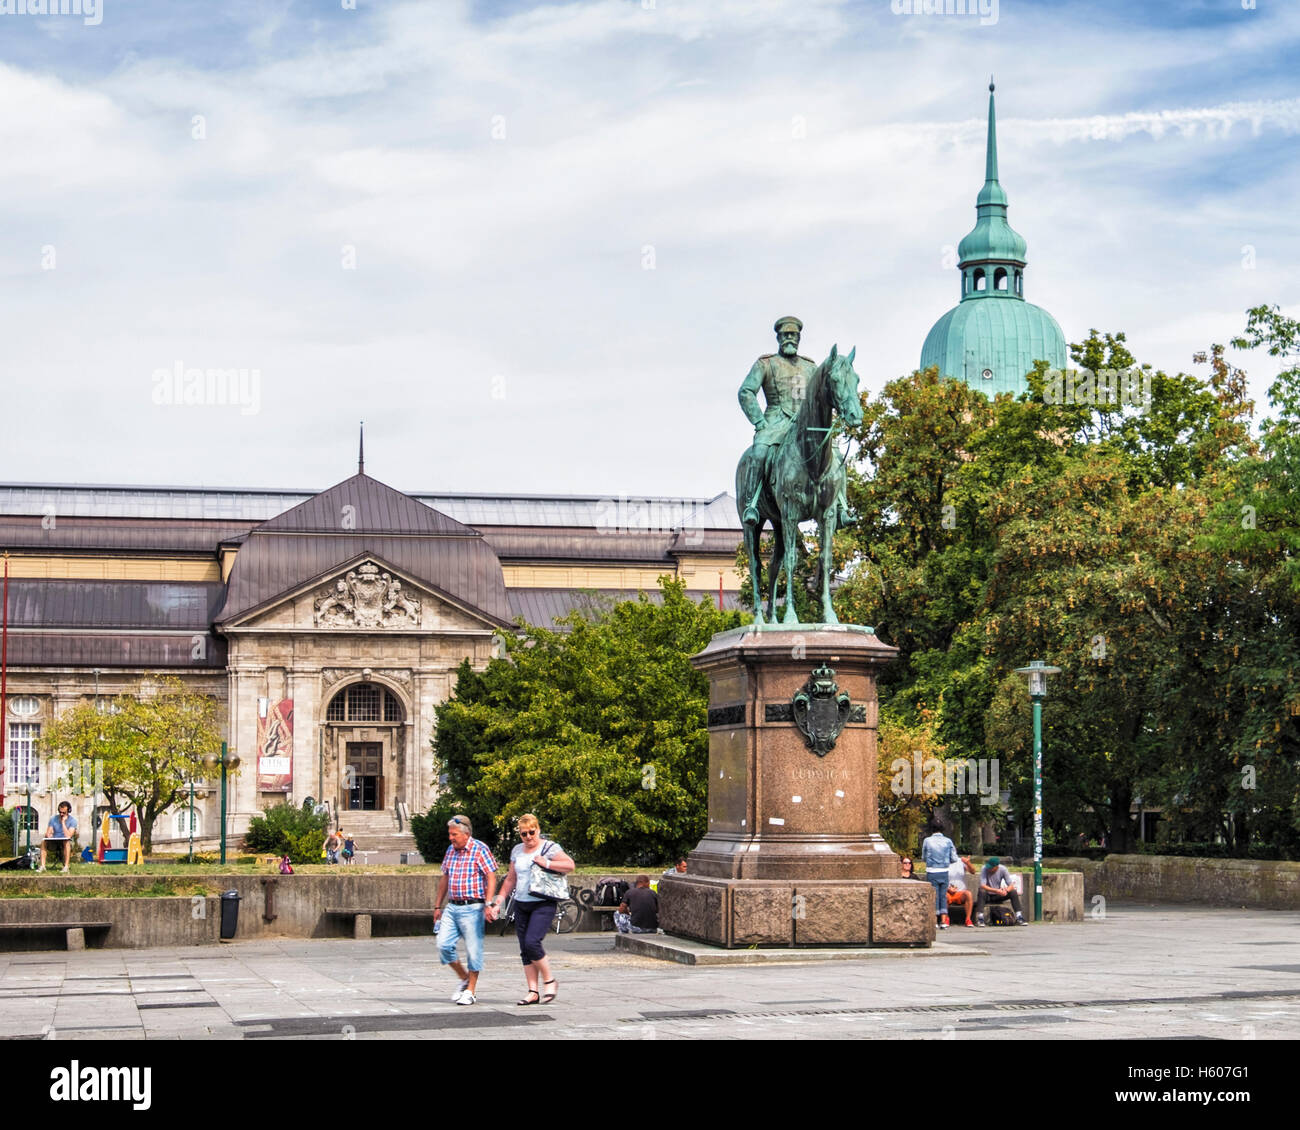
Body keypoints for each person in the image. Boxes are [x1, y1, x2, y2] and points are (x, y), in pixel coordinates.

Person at [738, 316, 850, 528]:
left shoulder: (811, 367)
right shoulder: (766, 363)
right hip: (775, 422)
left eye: (794, 335)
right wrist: (760, 422)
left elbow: (822, 394)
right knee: (759, 452)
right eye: (785, 335)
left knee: (834, 454)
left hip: (806, 427)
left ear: (799, 338)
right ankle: (751, 504)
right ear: (778, 337)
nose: (790, 339)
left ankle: (842, 507)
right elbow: (746, 392)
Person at [486, 813, 574, 1006]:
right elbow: (510, 879)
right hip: (521, 903)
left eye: (531, 832)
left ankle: (550, 981)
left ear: (538, 830)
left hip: (542, 902)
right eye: (523, 834)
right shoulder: (517, 850)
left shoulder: (549, 847)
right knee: (525, 949)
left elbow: (569, 865)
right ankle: (533, 991)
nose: (528, 837)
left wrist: (548, 863)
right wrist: (497, 902)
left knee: (532, 942)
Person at [434, 815, 498, 1005]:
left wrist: (488, 904)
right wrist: (438, 906)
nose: (451, 838)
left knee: (473, 950)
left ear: (466, 834)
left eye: (454, 834)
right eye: (450, 834)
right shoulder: (450, 850)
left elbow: (491, 877)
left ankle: (471, 990)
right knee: (443, 945)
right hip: (452, 907)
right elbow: (445, 877)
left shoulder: (480, 849)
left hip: (473, 907)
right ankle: (464, 978)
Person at [920, 820, 960, 930]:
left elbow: (923, 857)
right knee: (943, 896)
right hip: (944, 871)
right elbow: (954, 858)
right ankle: (943, 921)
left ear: (931, 829)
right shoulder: (948, 841)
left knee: (934, 896)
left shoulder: (927, 841)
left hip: (932, 871)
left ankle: (934, 921)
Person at [975, 856, 1028, 926]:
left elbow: (1011, 885)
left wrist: (1006, 891)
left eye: (991, 867)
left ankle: (1019, 916)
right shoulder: (984, 868)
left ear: (997, 867)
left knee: (1013, 892)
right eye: (988, 867)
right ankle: (980, 918)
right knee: (982, 890)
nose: (989, 869)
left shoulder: (1003, 869)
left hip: (997, 895)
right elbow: (983, 885)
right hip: (987, 895)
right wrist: (996, 890)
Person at [39, 802, 78, 873]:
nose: (61, 814)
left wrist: (63, 823)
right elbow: (48, 832)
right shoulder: (53, 819)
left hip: (66, 843)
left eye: (64, 813)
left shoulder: (73, 821)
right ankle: (42, 866)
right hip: (55, 841)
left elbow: (68, 836)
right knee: (44, 842)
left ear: (68, 811)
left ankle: (66, 867)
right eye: (60, 812)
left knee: (66, 841)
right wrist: (49, 834)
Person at [946, 855, 977, 927]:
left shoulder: (960, 861)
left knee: (968, 894)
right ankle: (946, 918)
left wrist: (968, 863)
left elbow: (973, 871)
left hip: (960, 892)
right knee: (944, 896)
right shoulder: (942, 862)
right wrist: (948, 889)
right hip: (947, 891)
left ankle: (968, 919)